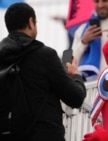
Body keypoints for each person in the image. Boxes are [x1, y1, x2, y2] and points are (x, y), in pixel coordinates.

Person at [0, 2, 86, 141]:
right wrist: (75, 75)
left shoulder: (2, 57)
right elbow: (75, 98)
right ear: (30, 22)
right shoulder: (45, 55)